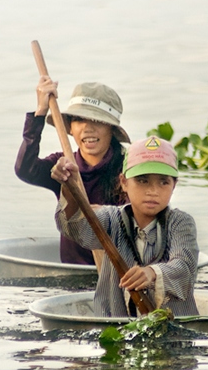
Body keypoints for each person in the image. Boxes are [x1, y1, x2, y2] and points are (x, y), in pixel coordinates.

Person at [52, 136, 199, 318]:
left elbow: (184, 266)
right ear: (124, 182)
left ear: (174, 185)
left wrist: (152, 273)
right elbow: (75, 229)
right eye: (142, 180)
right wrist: (69, 188)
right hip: (115, 323)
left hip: (174, 325)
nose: (153, 191)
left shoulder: (180, 223)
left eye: (163, 182)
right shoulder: (111, 219)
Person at [15, 76, 130, 264]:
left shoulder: (128, 168)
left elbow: (140, 220)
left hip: (119, 273)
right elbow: (25, 170)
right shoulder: (63, 166)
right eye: (79, 119)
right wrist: (40, 113)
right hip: (73, 273)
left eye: (97, 120)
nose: (87, 128)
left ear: (112, 129)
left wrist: (103, 215)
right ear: (71, 128)